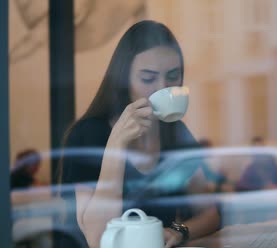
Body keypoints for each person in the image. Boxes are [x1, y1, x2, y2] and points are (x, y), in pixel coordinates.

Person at [58, 20, 220, 248]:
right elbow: (97, 239)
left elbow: (210, 214)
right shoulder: (87, 135)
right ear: (124, 80)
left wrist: (178, 232)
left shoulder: (175, 132)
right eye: (148, 78)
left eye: (173, 76)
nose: (163, 87)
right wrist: (116, 143)